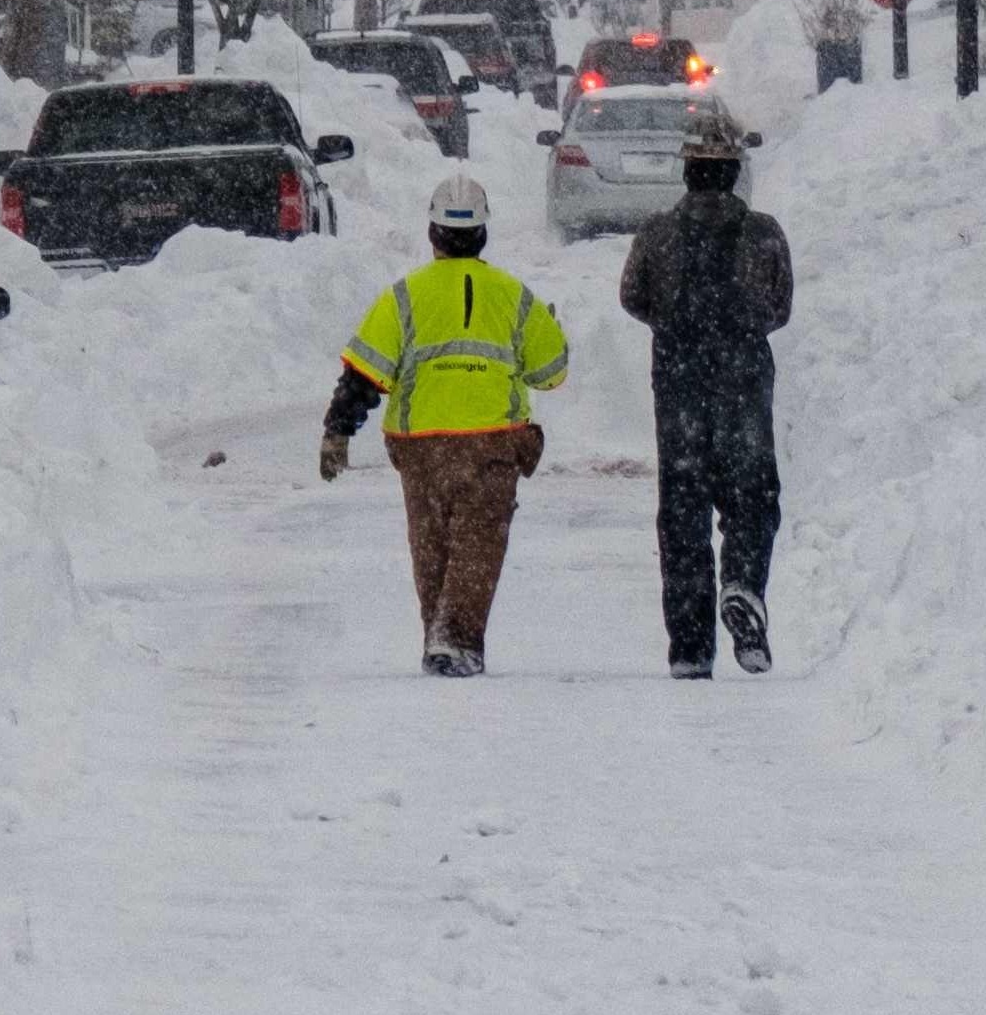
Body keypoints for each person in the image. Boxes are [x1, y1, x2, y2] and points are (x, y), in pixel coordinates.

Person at [321, 168, 575, 676]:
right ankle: (454, 640)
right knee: (478, 545)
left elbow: (363, 375)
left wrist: (337, 431)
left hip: (421, 448)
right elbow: (552, 375)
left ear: (432, 232)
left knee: (431, 546)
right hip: (492, 444)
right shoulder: (515, 296)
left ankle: (439, 638)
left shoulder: (403, 296)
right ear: (483, 232)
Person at [616, 100, 795, 677]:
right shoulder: (764, 234)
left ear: (687, 169)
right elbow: (779, 307)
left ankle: (690, 647)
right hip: (744, 385)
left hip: (679, 386)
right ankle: (742, 583)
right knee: (752, 499)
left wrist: (677, 325)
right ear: (733, 170)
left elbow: (632, 297)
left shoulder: (657, 234)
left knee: (683, 513)